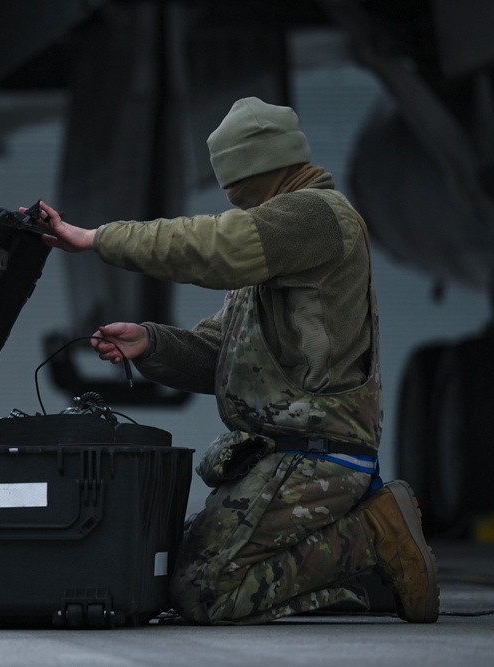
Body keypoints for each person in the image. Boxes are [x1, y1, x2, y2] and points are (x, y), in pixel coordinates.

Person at [26, 97, 439, 625]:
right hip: (275, 456)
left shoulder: (316, 215)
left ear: (262, 168)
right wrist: (150, 344)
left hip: (319, 455)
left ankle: (372, 536)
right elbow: (221, 356)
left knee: (205, 592)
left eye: (238, 187)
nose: (234, 200)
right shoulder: (272, 256)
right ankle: (360, 572)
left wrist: (99, 239)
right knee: (176, 566)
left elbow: (217, 248)